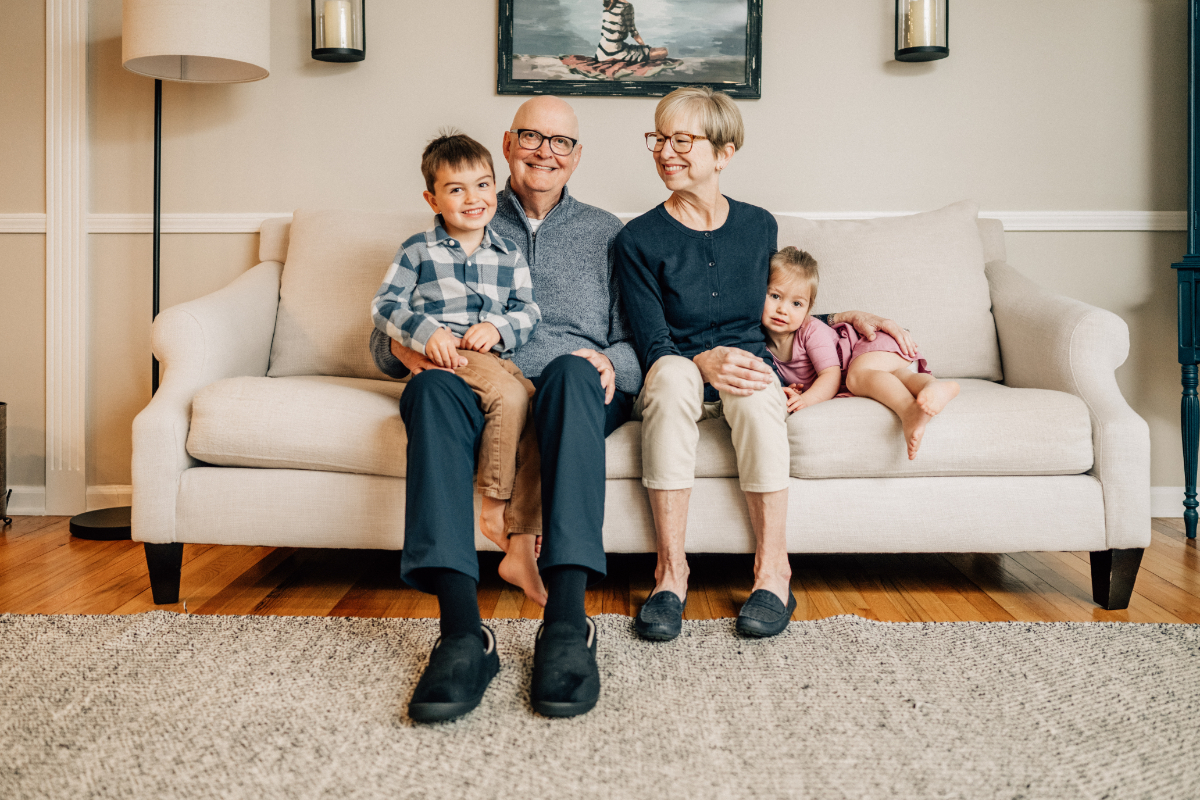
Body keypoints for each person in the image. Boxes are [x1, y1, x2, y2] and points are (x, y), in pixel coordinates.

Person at [369, 97, 641, 722]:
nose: (546, 150)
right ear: (507, 142)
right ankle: (463, 633)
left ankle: (567, 624)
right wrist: (419, 357)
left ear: (578, 155)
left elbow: (638, 336)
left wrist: (612, 363)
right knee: (431, 392)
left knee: (573, 373)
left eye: (562, 141)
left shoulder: (607, 232)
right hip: (469, 380)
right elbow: (387, 335)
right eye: (532, 136)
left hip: (574, 388)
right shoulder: (458, 221)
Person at [615, 86, 917, 642]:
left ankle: (774, 573)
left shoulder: (758, 227)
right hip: (677, 369)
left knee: (758, 393)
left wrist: (831, 315)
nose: (665, 152)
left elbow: (769, 309)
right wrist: (699, 360)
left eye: (683, 140)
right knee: (675, 376)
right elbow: (650, 337)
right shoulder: (636, 238)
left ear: (724, 154)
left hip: (746, 364)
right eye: (658, 139)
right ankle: (669, 574)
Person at [371, 131, 544, 606]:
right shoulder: (417, 251)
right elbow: (384, 306)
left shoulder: (509, 253)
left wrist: (499, 327)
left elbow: (529, 311)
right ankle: (493, 509)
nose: (473, 198)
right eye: (456, 189)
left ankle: (525, 536)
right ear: (432, 198)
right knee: (510, 398)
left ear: (496, 188)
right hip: (448, 359)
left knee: (535, 404)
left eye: (483, 185)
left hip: (492, 356)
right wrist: (425, 333)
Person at [763, 247, 960, 459]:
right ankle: (933, 387)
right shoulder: (759, 343)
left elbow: (830, 377)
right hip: (879, 364)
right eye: (775, 296)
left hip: (873, 343)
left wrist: (807, 400)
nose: (783, 309)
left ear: (808, 309)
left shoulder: (811, 330)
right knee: (897, 377)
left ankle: (909, 410)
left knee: (858, 376)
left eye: (796, 303)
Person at [596, 0, 667, 63]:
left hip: (601, 52)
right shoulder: (626, 6)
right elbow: (634, 33)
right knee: (664, 51)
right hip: (616, 52)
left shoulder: (608, 3)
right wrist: (644, 49)